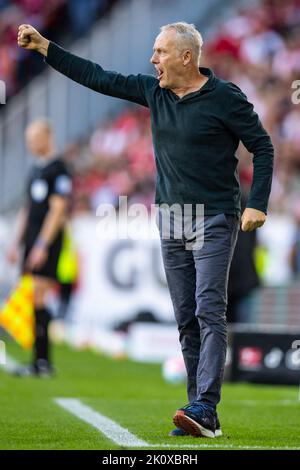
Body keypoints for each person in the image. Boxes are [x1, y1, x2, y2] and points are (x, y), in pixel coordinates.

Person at [17, 22, 273, 435]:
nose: (153, 60)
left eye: (160, 52)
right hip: (170, 218)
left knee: (209, 309)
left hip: (215, 216)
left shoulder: (225, 97)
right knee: (187, 317)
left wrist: (257, 202)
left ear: (187, 57)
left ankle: (204, 405)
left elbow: (262, 145)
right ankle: (199, 409)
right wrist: (46, 46)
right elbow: (98, 77)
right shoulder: (153, 91)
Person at [7, 119, 72, 377]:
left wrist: (42, 244)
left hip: (47, 242)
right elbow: (27, 209)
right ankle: (39, 360)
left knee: (40, 295)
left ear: (48, 136)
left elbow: (58, 210)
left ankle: (43, 361)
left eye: (35, 138)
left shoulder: (59, 169)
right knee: (34, 295)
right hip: (32, 242)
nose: (30, 144)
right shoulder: (36, 168)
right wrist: (16, 242)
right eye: (28, 139)